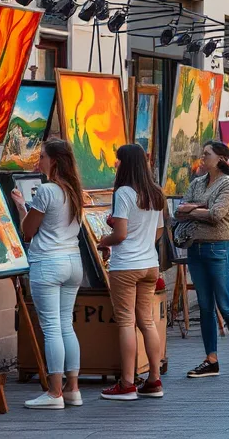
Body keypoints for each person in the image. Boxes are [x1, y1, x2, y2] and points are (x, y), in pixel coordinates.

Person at [10, 139, 86, 409]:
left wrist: (21, 206)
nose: (37, 161)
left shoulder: (47, 190)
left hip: (48, 262)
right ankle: (72, 388)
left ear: (54, 160)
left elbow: (28, 231)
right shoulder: (74, 190)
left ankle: (55, 392)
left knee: (52, 327)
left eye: (41, 156)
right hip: (73, 262)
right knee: (66, 324)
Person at [176, 141, 229, 376]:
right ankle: (211, 359)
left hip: (218, 248)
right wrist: (199, 208)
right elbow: (179, 211)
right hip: (195, 249)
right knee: (205, 306)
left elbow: (217, 214)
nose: (202, 156)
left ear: (220, 158)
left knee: (225, 304)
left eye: (207, 154)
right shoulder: (197, 183)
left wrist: (194, 209)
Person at [97, 144, 166, 400]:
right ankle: (154, 379)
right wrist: (144, 241)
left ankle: (127, 383)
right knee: (146, 321)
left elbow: (120, 234)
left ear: (125, 163)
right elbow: (158, 231)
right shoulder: (155, 193)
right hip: (150, 263)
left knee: (126, 322)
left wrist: (104, 241)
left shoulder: (124, 193)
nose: (114, 164)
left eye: (117, 160)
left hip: (126, 265)